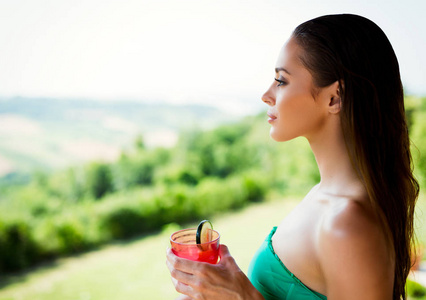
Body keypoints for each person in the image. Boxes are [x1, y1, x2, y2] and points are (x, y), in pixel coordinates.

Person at [166, 14, 419, 300]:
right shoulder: (324, 195)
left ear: (334, 98)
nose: (266, 95)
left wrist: (242, 297)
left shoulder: (348, 224)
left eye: (281, 81)